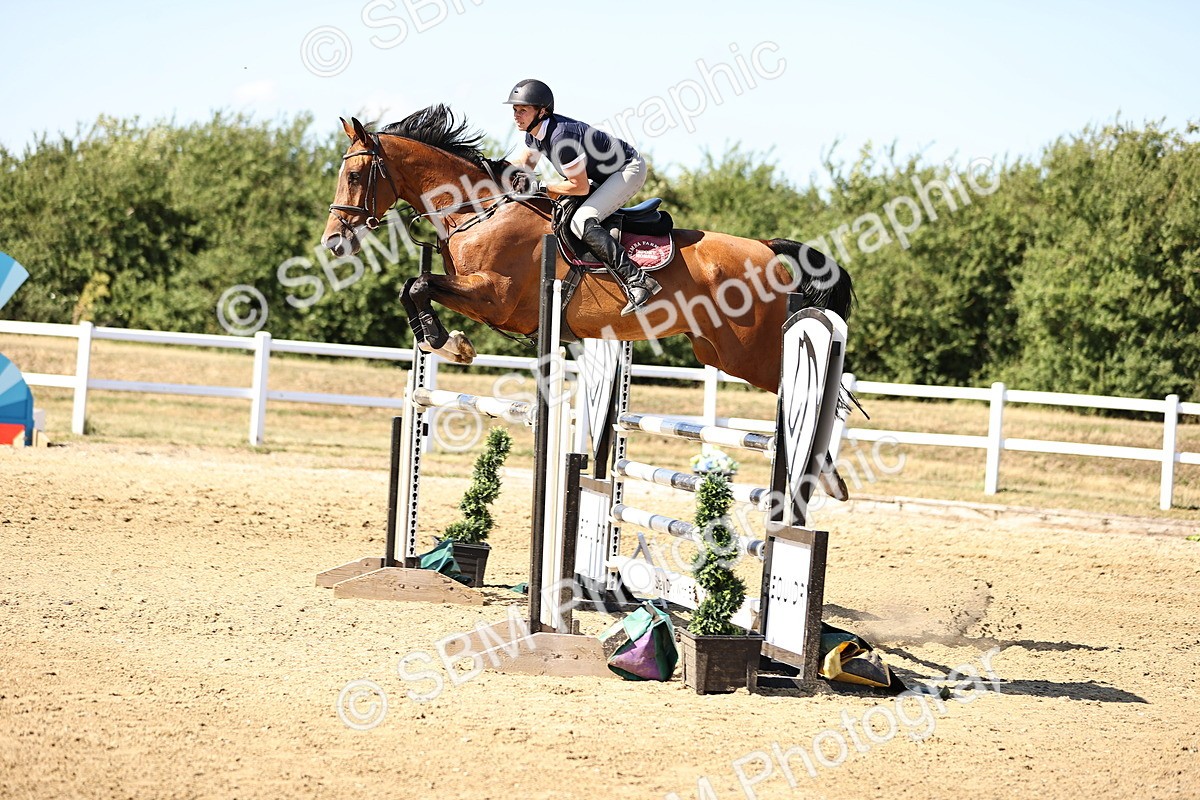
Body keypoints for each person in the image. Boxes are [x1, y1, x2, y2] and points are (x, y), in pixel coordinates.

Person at [504, 79, 661, 316]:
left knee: (582, 220)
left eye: (523, 110)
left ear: (542, 111)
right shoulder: (534, 133)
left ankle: (638, 280)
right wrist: (492, 172)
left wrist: (542, 186)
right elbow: (525, 163)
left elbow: (579, 187)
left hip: (628, 169)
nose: (517, 115)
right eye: (515, 110)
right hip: (602, 175)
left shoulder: (561, 139)